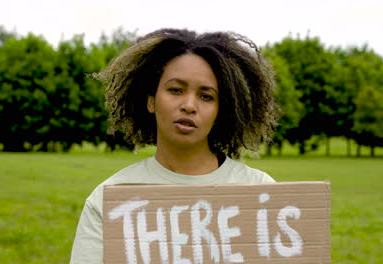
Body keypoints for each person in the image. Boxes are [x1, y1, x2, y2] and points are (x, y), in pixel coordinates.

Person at [70, 28, 280, 263]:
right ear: (151, 101)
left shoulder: (261, 192)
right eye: (176, 90)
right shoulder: (110, 197)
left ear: (221, 111)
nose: (189, 105)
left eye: (206, 96)